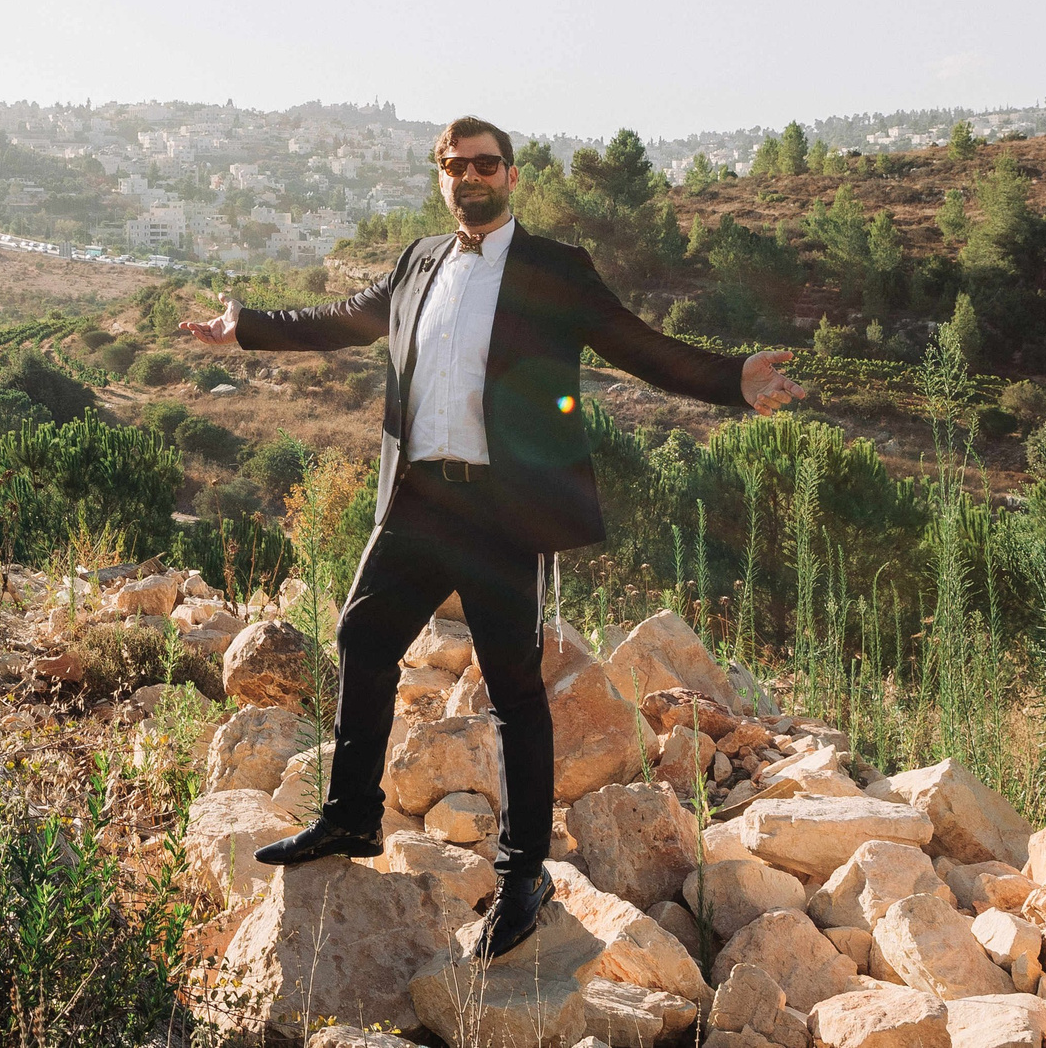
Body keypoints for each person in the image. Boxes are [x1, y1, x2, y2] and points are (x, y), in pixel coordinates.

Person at [180, 117, 803, 958]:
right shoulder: (418, 262)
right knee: (361, 638)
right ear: (441, 175)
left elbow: (637, 347)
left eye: (484, 163)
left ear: (510, 175)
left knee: (513, 689)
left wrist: (733, 378)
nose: (468, 175)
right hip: (419, 499)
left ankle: (523, 875)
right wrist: (244, 327)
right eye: (453, 164)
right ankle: (352, 818)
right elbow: (342, 319)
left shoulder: (555, 268)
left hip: (503, 508)